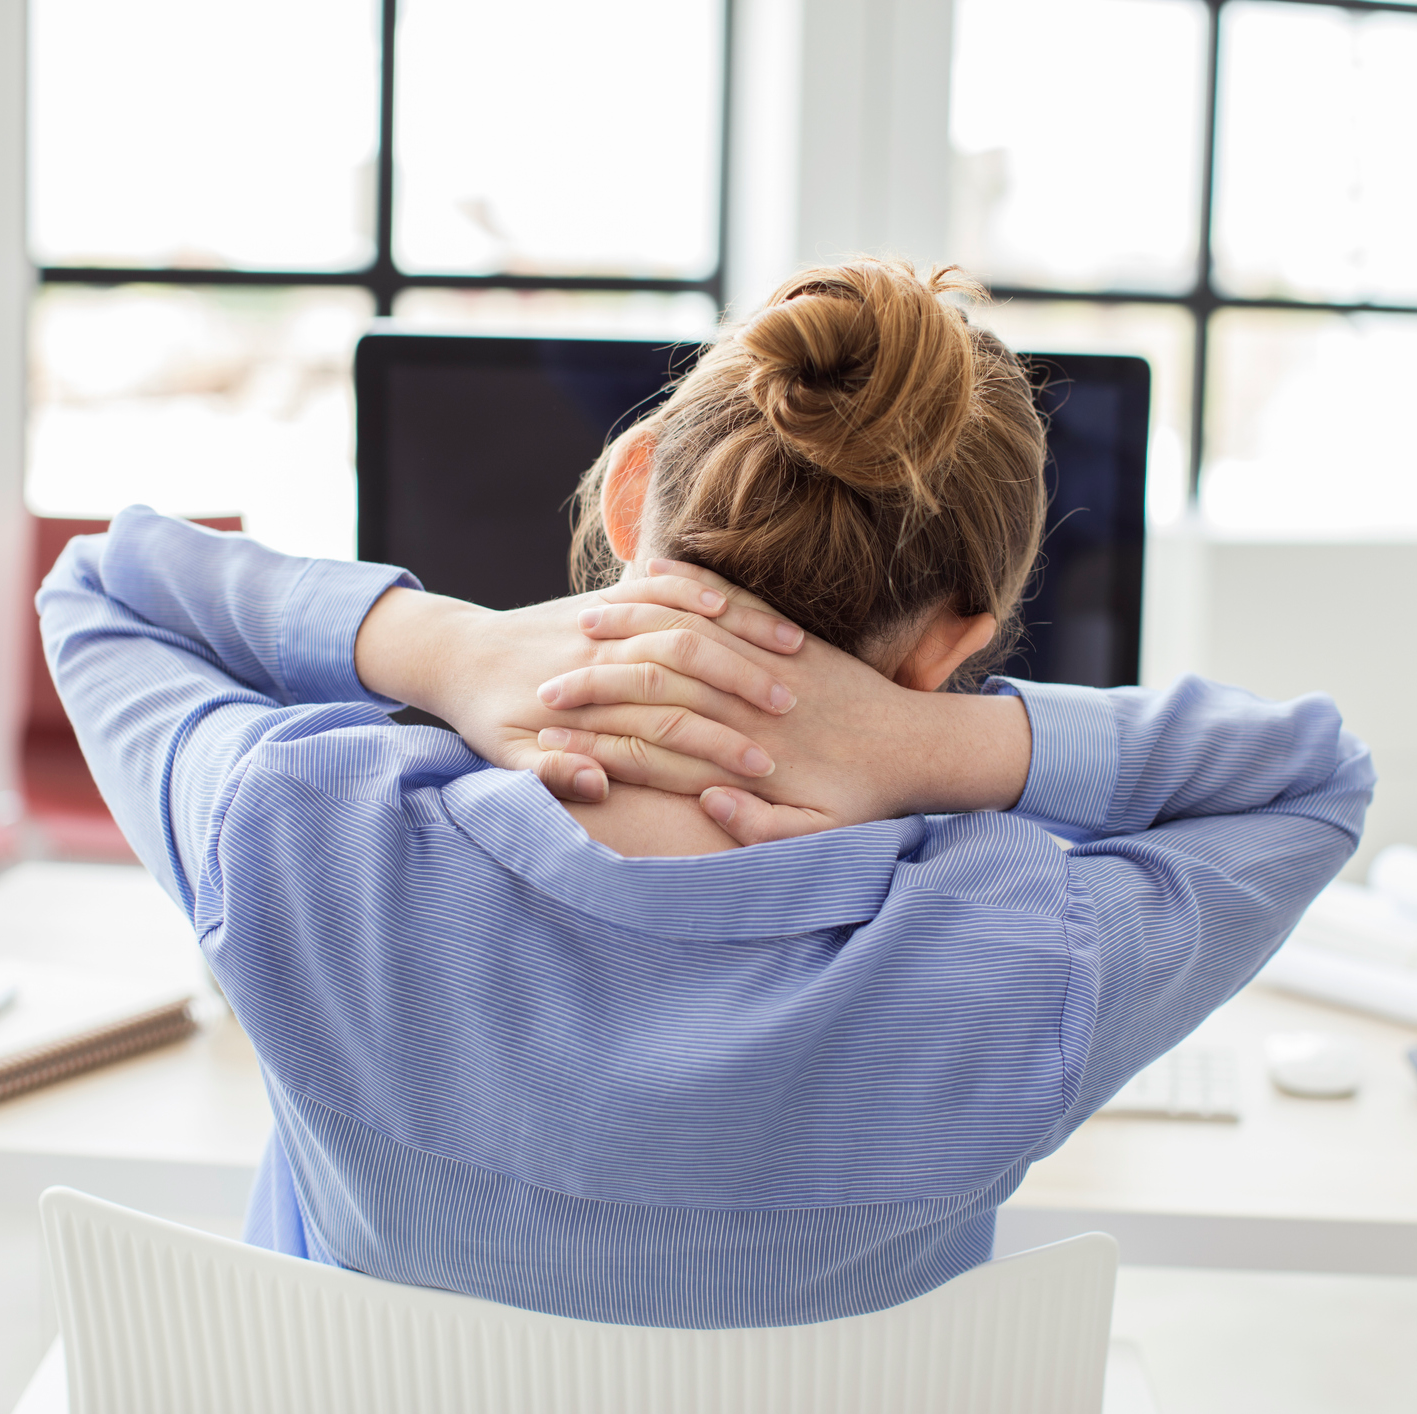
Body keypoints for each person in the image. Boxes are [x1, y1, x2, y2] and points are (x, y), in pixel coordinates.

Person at [37, 259, 1372, 1329]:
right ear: (954, 639)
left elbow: (104, 589)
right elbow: (1312, 777)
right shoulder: (1031, 955)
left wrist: (446, 644)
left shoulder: (300, 827)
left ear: (629, 497)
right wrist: (927, 742)